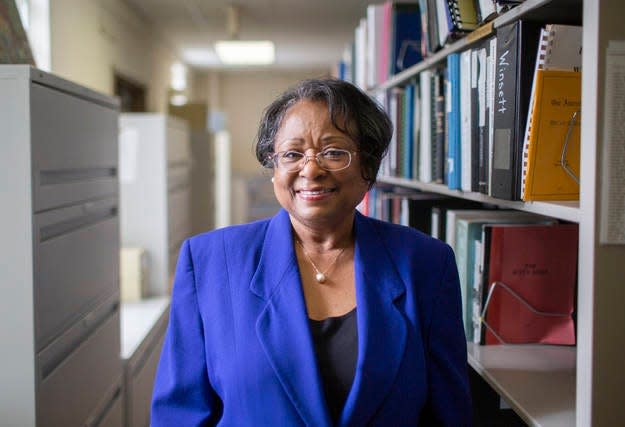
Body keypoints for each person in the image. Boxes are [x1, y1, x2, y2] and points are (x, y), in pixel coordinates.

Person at [151, 78, 472, 426]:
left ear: (367, 167)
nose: (311, 169)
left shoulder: (426, 264)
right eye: (292, 154)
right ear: (274, 169)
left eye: (334, 152)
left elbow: (448, 414)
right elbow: (178, 415)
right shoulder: (209, 263)